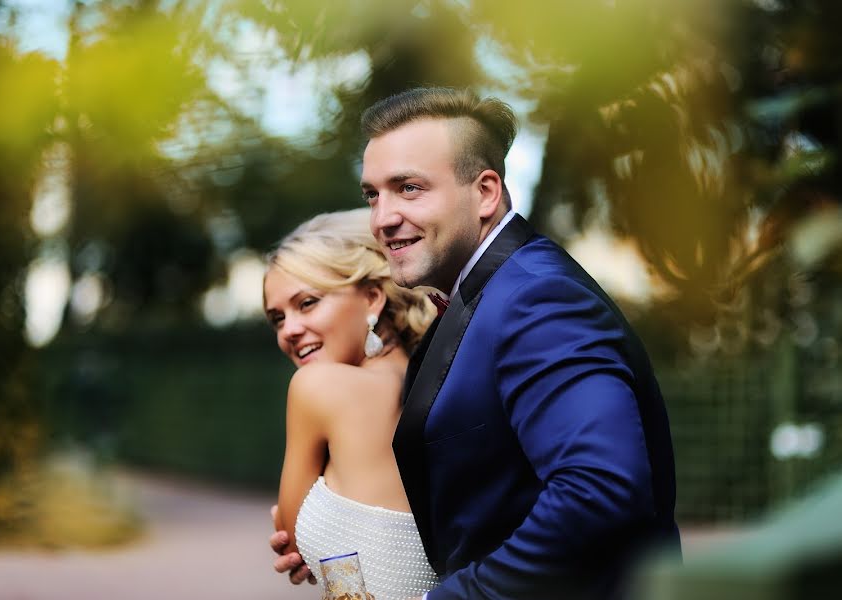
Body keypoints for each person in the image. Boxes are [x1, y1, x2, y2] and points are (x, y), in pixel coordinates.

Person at [273, 87, 681, 599]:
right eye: (372, 195)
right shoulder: (484, 298)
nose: (382, 218)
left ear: (486, 192)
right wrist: (326, 520)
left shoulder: (537, 296)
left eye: (409, 188)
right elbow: (490, 493)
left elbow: (599, 492)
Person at [263, 208, 440, 600]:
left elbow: (290, 540)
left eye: (307, 302)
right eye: (277, 318)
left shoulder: (317, 386)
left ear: (373, 297)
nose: (289, 329)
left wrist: (302, 523)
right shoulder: (434, 378)